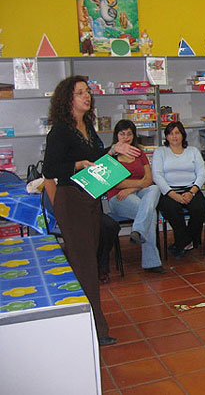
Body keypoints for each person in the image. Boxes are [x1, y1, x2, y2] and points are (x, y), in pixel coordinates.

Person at [43, 75, 141, 346]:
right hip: (71, 200)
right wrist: (77, 164)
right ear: (67, 99)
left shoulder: (87, 125)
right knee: (84, 265)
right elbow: (49, 170)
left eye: (87, 92)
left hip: (90, 198)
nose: (86, 96)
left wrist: (113, 151)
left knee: (87, 262)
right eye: (79, 93)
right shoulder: (61, 130)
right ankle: (96, 329)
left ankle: (83, 321)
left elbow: (96, 159)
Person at [107, 120, 164, 273]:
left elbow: (149, 179)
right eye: (122, 134)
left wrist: (131, 188)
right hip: (117, 198)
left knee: (155, 189)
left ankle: (138, 230)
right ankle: (151, 262)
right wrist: (135, 186)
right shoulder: (111, 156)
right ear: (116, 136)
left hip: (137, 192)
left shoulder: (139, 153)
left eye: (129, 134)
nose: (126, 137)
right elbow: (113, 183)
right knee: (150, 212)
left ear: (134, 136)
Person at [44, 178, 120, 284]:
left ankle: (100, 266)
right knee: (83, 230)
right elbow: (49, 180)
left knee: (109, 226)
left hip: (90, 205)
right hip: (70, 207)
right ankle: (85, 269)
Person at [152, 121, 205, 259]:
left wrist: (191, 192)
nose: (174, 136)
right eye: (170, 133)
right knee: (172, 210)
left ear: (183, 134)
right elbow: (157, 175)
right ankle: (188, 242)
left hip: (191, 189)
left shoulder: (193, 151)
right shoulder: (160, 152)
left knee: (201, 209)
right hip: (169, 191)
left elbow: (202, 174)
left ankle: (182, 243)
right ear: (166, 136)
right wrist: (173, 194)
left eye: (177, 132)